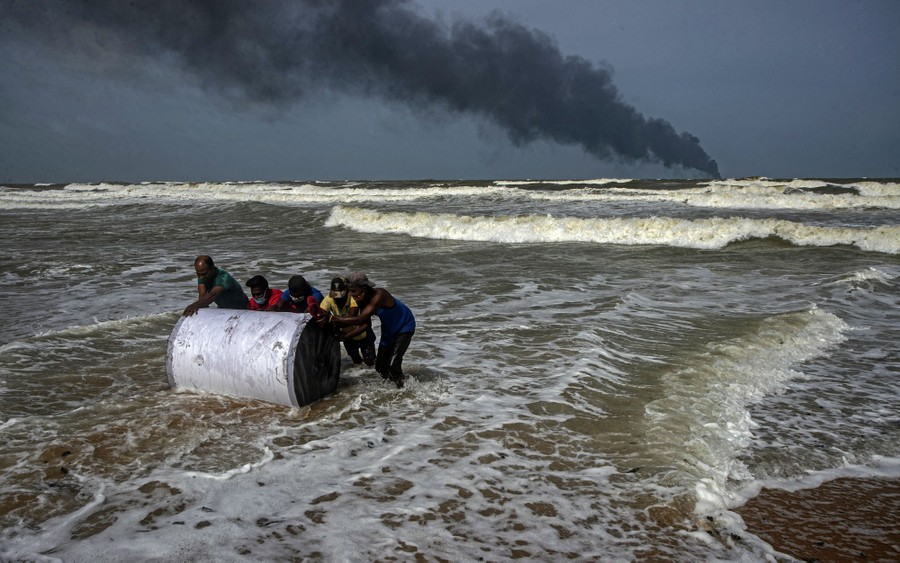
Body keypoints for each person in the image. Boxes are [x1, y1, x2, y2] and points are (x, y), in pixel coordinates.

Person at [325, 272, 415, 388]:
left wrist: (332, 318)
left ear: (364, 288)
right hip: (389, 330)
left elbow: (359, 319)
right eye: (349, 291)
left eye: (353, 291)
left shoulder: (380, 294)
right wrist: (347, 336)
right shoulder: (361, 299)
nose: (351, 295)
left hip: (404, 326)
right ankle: (394, 387)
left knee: (393, 366)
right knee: (380, 367)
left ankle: (405, 391)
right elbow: (365, 324)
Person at [319, 276, 376, 366]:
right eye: (335, 295)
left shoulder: (353, 297)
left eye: (340, 295)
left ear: (347, 291)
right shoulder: (328, 299)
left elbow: (352, 316)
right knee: (355, 360)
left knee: (370, 360)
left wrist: (332, 320)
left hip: (362, 333)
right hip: (347, 336)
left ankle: (373, 377)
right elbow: (321, 314)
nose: (337, 298)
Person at [183, 255, 248, 316]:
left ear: (212, 268)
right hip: (226, 310)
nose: (201, 277)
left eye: (204, 274)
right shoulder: (203, 276)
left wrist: (195, 305)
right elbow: (202, 297)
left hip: (245, 309)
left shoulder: (223, 277)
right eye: (198, 274)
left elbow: (213, 295)